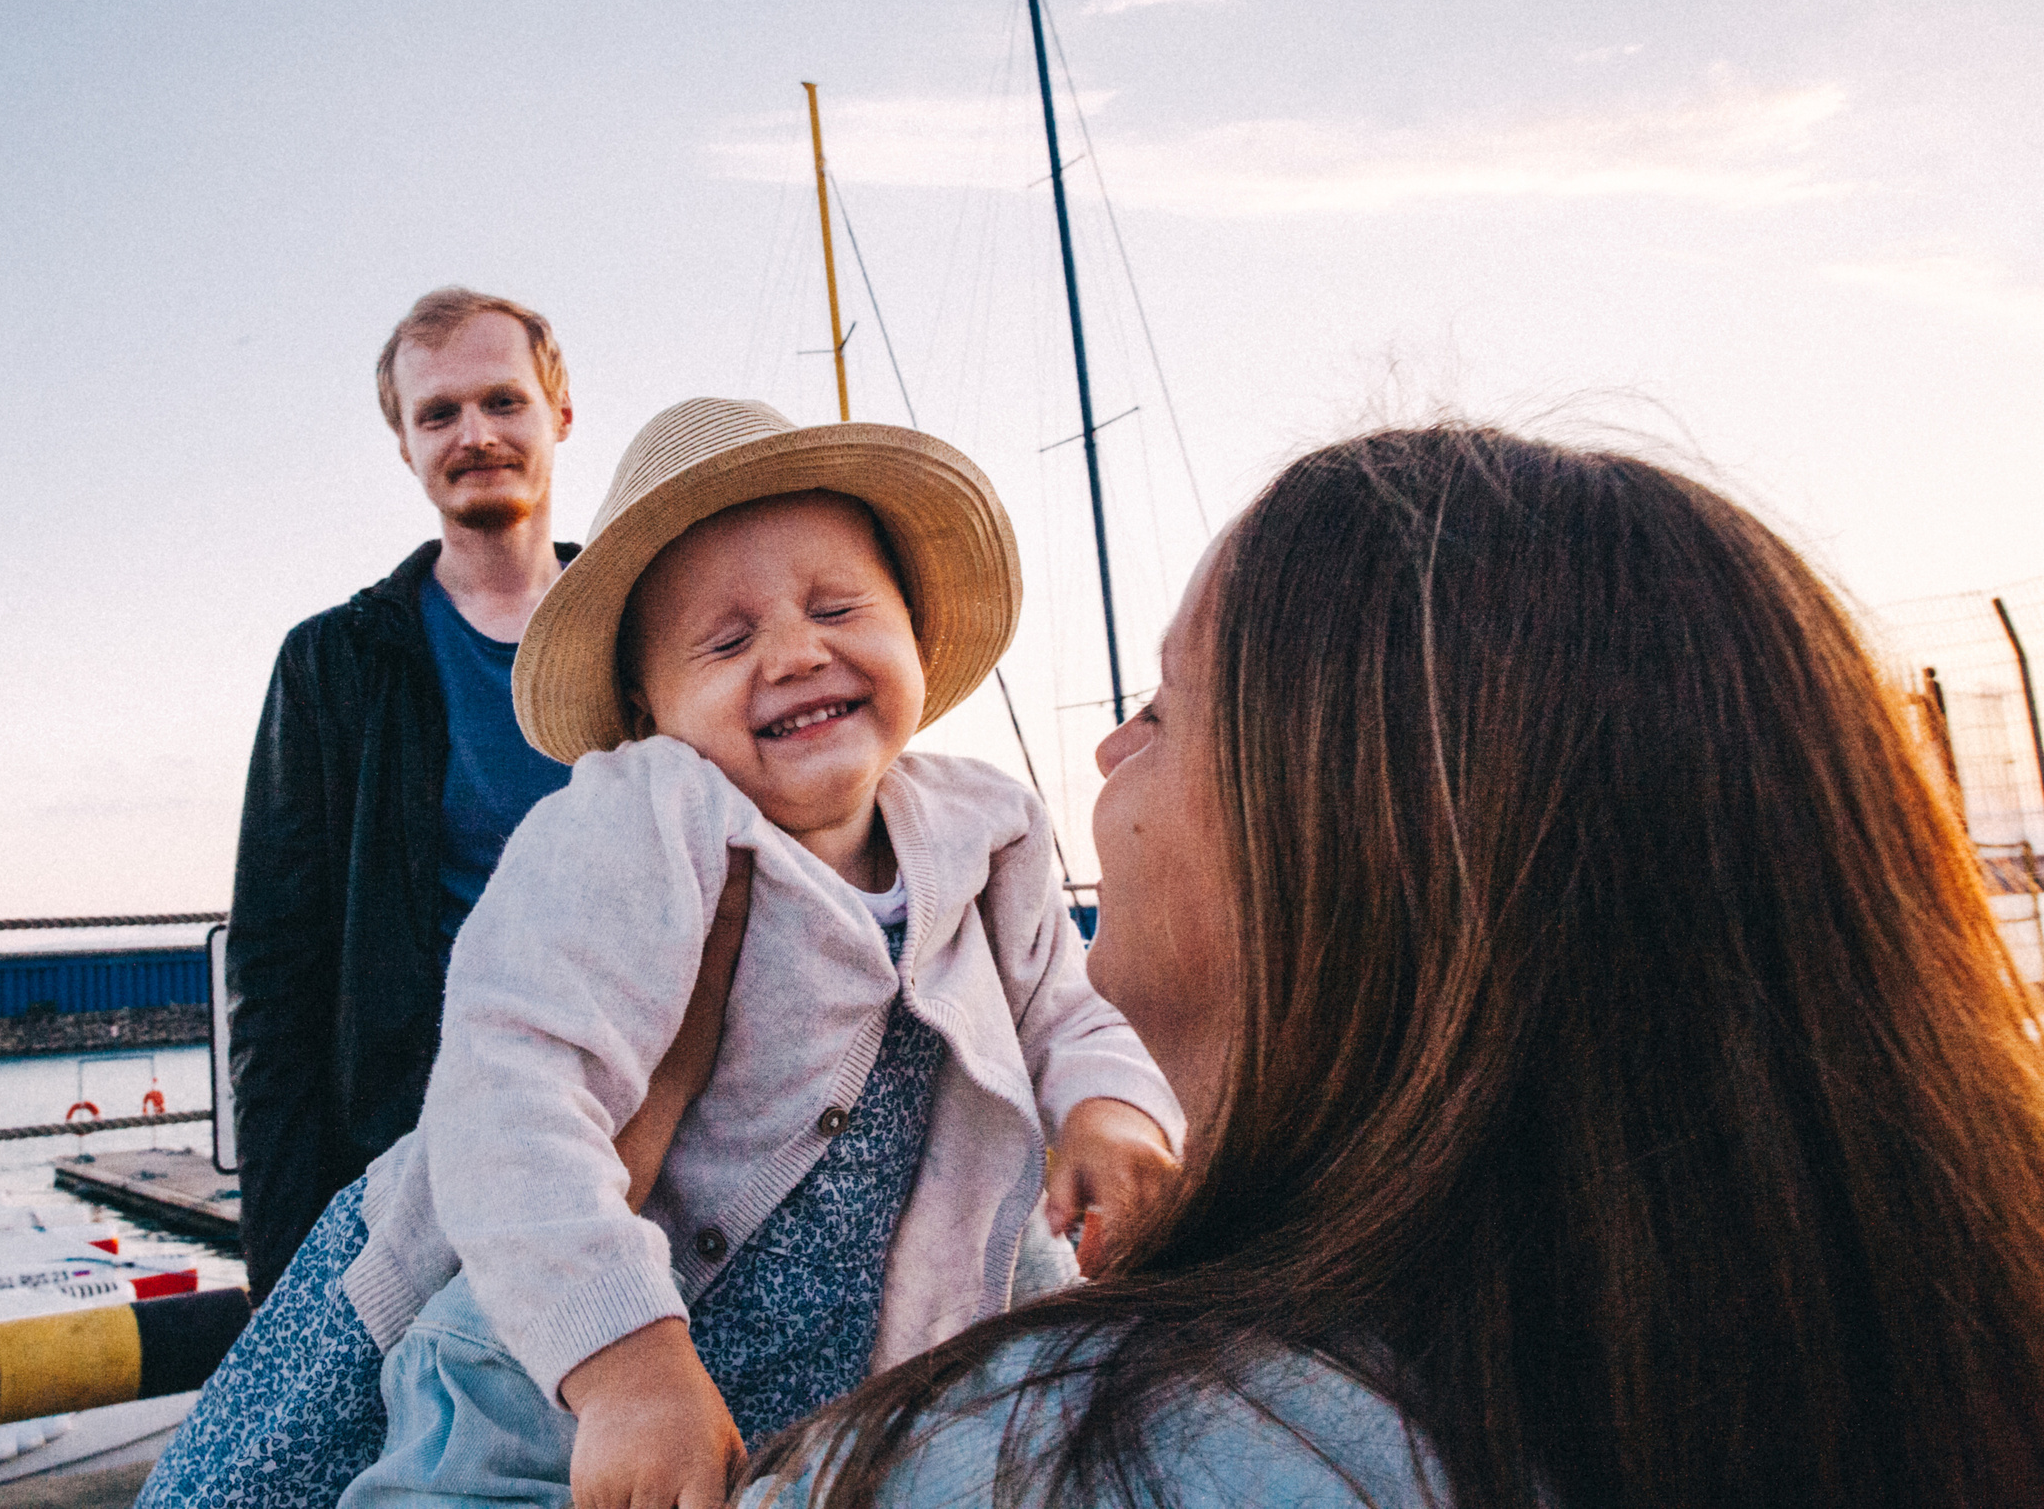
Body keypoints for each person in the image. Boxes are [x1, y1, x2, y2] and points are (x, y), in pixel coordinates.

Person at [748, 425, 2044, 1509]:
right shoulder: (1939, 1365)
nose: (1107, 754)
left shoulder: (1024, 1462)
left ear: (1351, 841)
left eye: (1165, 708)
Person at [144, 398, 1182, 1509]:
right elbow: (508, 1090)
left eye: (838, 606)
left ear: (915, 634)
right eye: (727, 642)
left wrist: (1111, 1112)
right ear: (647, 710)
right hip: (527, 1309)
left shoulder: (988, 829)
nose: (795, 652)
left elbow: (1068, 1007)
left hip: (817, 1361)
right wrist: (626, 1365)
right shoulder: (634, 821)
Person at [227, 286, 579, 1305]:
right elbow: (276, 976)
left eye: (503, 402)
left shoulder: (657, 632)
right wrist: (285, 1269)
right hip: (424, 1182)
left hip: (657, 1154)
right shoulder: (335, 663)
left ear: (559, 415)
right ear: (405, 445)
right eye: (439, 414)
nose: (475, 435)